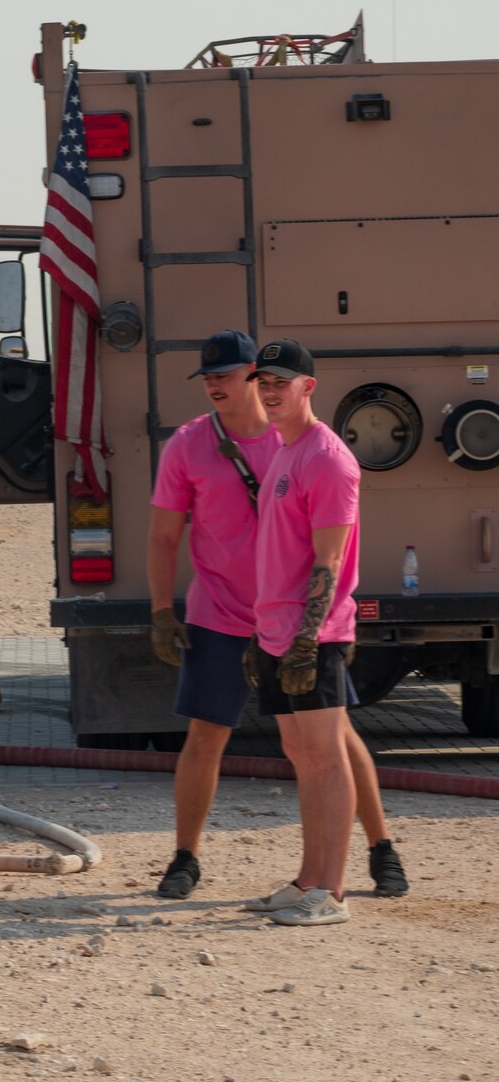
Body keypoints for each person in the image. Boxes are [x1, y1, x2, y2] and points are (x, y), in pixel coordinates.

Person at [146, 333, 406, 904]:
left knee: (332, 745)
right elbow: (164, 534)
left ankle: (370, 857)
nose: (220, 385)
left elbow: (330, 554)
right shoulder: (198, 445)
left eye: (236, 376)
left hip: (299, 627)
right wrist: (162, 610)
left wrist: (314, 633)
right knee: (236, 742)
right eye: (208, 377)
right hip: (233, 617)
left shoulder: (310, 447)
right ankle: (201, 860)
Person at [244, 339, 369, 925]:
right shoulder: (283, 452)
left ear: (308, 386)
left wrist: (303, 638)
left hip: (311, 635)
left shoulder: (328, 458)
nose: (270, 392)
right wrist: (261, 632)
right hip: (276, 630)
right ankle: (308, 879)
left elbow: (328, 561)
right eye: (263, 383)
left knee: (325, 757)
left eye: (280, 382)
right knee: (301, 756)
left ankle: (333, 893)